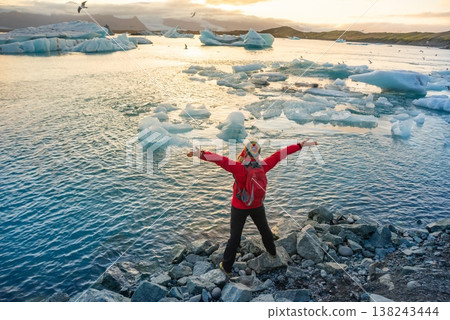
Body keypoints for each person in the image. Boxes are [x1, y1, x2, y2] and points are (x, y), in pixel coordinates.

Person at [187, 139, 318, 276]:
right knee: (264, 229)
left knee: (235, 237)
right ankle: (272, 253)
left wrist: (200, 154)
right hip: (257, 205)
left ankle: (226, 268)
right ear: (258, 153)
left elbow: (220, 159)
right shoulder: (263, 166)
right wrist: (300, 145)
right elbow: (280, 154)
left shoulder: (238, 167)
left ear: (245, 152)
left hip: (239, 207)